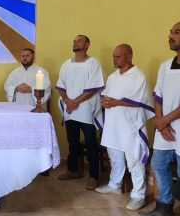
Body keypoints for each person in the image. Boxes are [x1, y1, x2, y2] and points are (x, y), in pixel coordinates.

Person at [94, 44, 154, 211]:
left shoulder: (138, 76)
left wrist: (115, 102)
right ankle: (114, 185)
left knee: (134, 160)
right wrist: (105, 101)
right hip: (114, 124)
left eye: (117, 57)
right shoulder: (113, 76)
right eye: (113, 56)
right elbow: (107, 94)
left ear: (129, 57)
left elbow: (140, 100)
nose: (114, 59)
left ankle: (138, 195)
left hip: (131, 126)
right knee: (115, 157)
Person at [140, 22, 180, 216]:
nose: (171, 36)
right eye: (170, 32)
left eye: (177, 32)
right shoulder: (165, 66)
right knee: (158, 164)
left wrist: (164, 120)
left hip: (173, 124)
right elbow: (158, 96)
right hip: (165, 127)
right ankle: (164, 206)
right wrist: (160, 120)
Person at [56, 35, 104, 190]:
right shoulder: (66, 64)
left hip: (86, 110)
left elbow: (93, 87)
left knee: (91, 144)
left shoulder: (93, 63)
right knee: (73, 142)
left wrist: (74, 102)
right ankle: (73, 170)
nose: (75, 42)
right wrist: (68, 101)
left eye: (79, 40)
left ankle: (94, 176)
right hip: (71, 110)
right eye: (74, 40)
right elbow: (60, 86)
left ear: (87, 44)